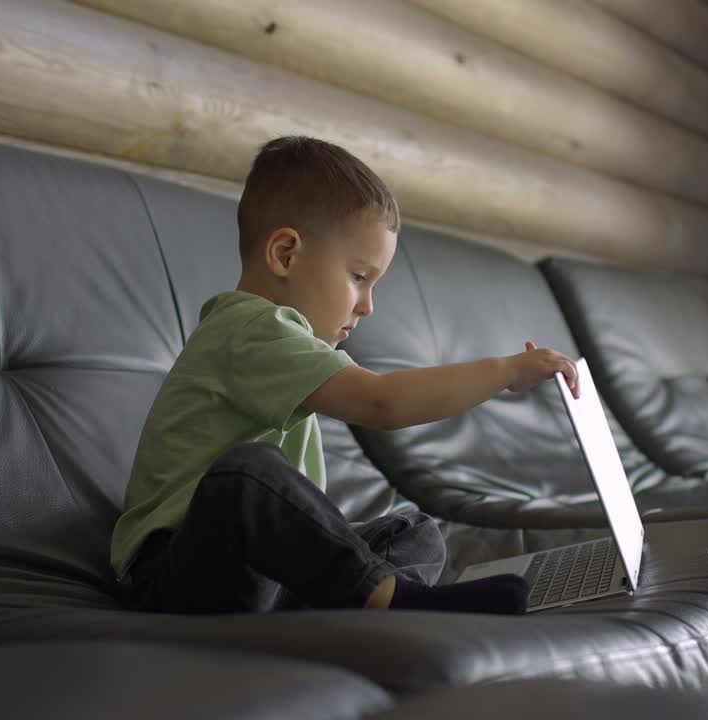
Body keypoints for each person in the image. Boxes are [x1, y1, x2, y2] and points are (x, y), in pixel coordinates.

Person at [111, 136, 579, 616]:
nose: (368, 305)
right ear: (286, 254)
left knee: (414, 533)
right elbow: (382, 403)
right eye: (359, 276)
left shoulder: (283, 343)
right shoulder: (249, 329)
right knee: (248, 472)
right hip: (174, 578)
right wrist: (504, 371)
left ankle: (369, 602)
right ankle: (388, 601)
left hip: (258, 576)